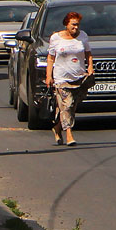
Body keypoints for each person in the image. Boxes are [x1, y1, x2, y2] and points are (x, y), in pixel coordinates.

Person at [45, 11, 93, 146]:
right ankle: (69, 134)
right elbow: (50, 58)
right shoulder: (56, 38)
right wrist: (49, 76)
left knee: (71, 106)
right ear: (66, 24)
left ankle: (57, 128)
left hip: (79, 78)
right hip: (61, 78)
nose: (76, 28)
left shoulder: (83, 36)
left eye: (77, 25)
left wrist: (90, 67)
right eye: (73, 25)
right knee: (66, 106)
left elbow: (88, 54)